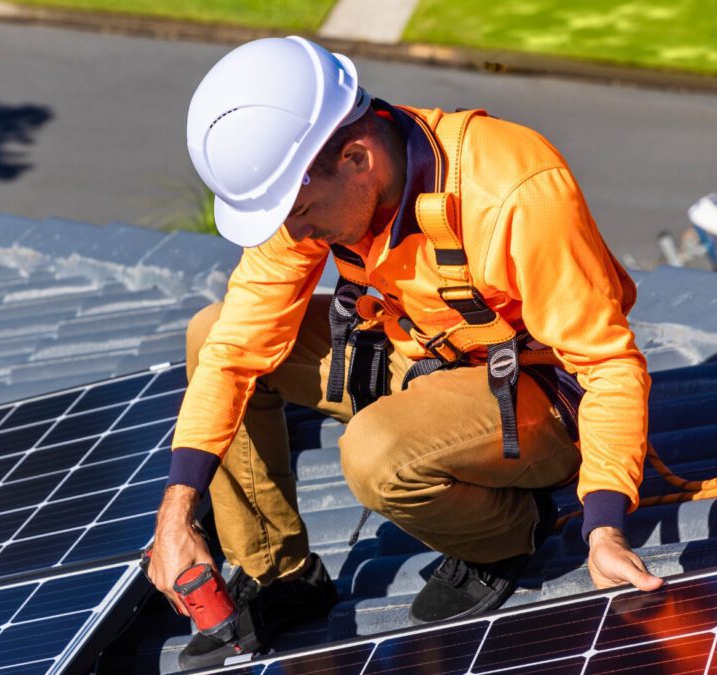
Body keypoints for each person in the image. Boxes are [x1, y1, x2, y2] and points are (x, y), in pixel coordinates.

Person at [146, 36, 663, 670]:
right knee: (211, 330)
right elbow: (231, 350)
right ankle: (280, 573)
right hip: (422, 359)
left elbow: (608, 366)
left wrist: (604, 524)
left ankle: (505, 532)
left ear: (357, 157)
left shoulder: (515, 190)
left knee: (375, 453)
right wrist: (176, 514)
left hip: (539, 399)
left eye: (301, 212)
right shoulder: (320, 189)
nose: (297, 235)